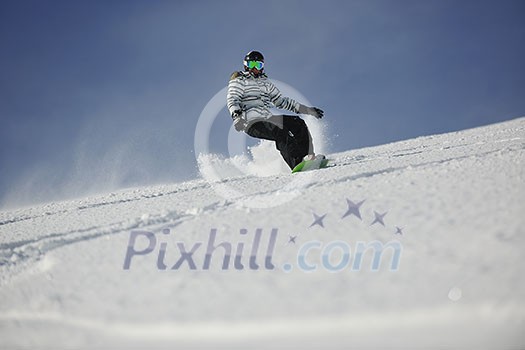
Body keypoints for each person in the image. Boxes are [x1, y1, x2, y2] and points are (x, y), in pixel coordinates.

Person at [227, 50, 325, 170]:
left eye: (258, 65)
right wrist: (237, 117)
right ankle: (297, 163)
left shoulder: (265, 83)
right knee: (280, 131)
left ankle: (308, 157)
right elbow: (233, 99)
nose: (255, 68)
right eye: (252, 65)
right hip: (251, 122)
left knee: (297, 122)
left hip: (267, 118)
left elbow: (281, 101)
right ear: (246, 65)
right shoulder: (239, 80)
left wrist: (307, 110)